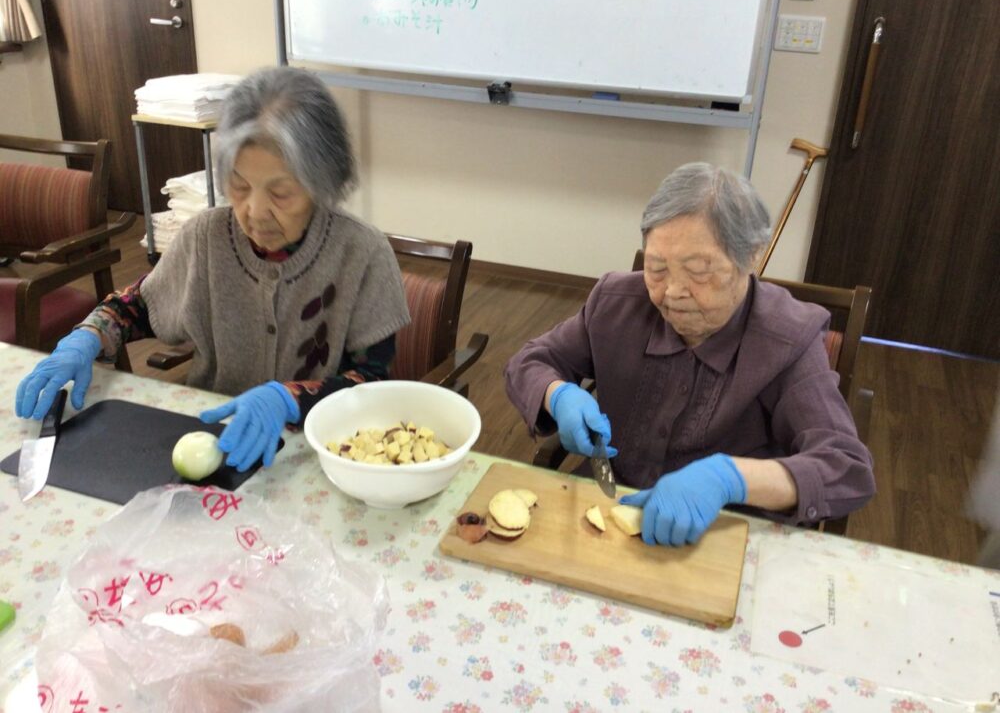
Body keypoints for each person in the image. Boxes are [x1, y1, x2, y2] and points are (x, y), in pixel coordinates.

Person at [15, 66, 410, 471]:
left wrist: (291, 398)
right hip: (214, 441)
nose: (255, 212)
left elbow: (374, 381)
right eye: (239, 185)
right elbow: (136, 308)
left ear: (322, 183)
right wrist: (87, 337)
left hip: (320, 455)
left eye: (280, 193)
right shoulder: (207, 237)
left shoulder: (362, 252)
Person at [504, 162, 875, 546]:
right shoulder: (615, 303)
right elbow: (531, 361)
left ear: (752, 257)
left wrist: (730, 479)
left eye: (698, 271)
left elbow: (846, 467)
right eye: (656, 268)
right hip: (606, 514)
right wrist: (557, 395)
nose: (672, 293)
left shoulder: (788, 338)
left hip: (720, 535)